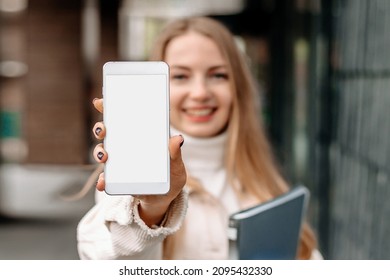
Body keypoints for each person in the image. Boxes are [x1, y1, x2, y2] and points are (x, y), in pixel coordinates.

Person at [77, 16, 321, 260]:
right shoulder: (131, 181)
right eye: (181, 76)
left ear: (238, 87)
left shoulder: (265, 181)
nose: (200, 93)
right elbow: (109, 259)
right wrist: (152, 211)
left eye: (218, 75)